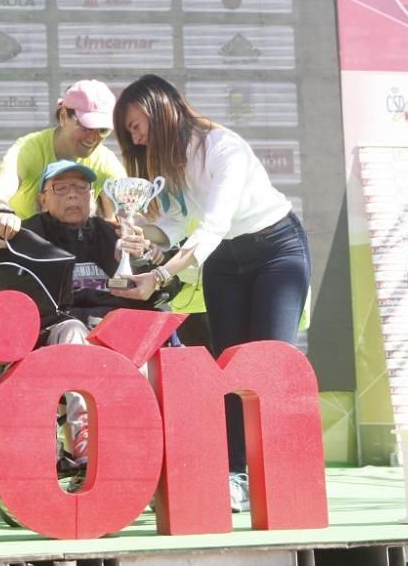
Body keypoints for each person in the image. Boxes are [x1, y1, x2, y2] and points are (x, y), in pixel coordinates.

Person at [109, 74, 311, 513]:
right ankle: (236, 475)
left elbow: (214, 225)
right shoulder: (170, 160)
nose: (135, 136)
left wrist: (160, 277)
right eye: (129, 132)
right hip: (226, 263)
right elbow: (181, 224)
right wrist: (142, 233)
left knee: (271, 365)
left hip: (277, 251)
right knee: (233, 371)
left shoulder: (222, 147)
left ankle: (283, 478)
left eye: (135, 123)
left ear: (159, 106)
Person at [0, 160, 177, 472]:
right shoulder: (26, 233)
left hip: (108, 327)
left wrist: (144, 259)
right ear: (43, 198)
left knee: (133, 340)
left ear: (93, 195)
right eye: (61, 187)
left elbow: (157, 293)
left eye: (81, 187)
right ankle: (83, 441)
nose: (73, 195)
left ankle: (144, 449)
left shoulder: (114, 233)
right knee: (73, 332)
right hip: (55, 330)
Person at [0, 79, 125, 239]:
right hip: (20, 249)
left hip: (74, 250)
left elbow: (130, 211)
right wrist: (4, 212)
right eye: (86, 127)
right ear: (64, 116)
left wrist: (139, 235)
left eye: (103, 130)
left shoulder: (105, 160)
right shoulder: (28, 148)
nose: (93, 138)